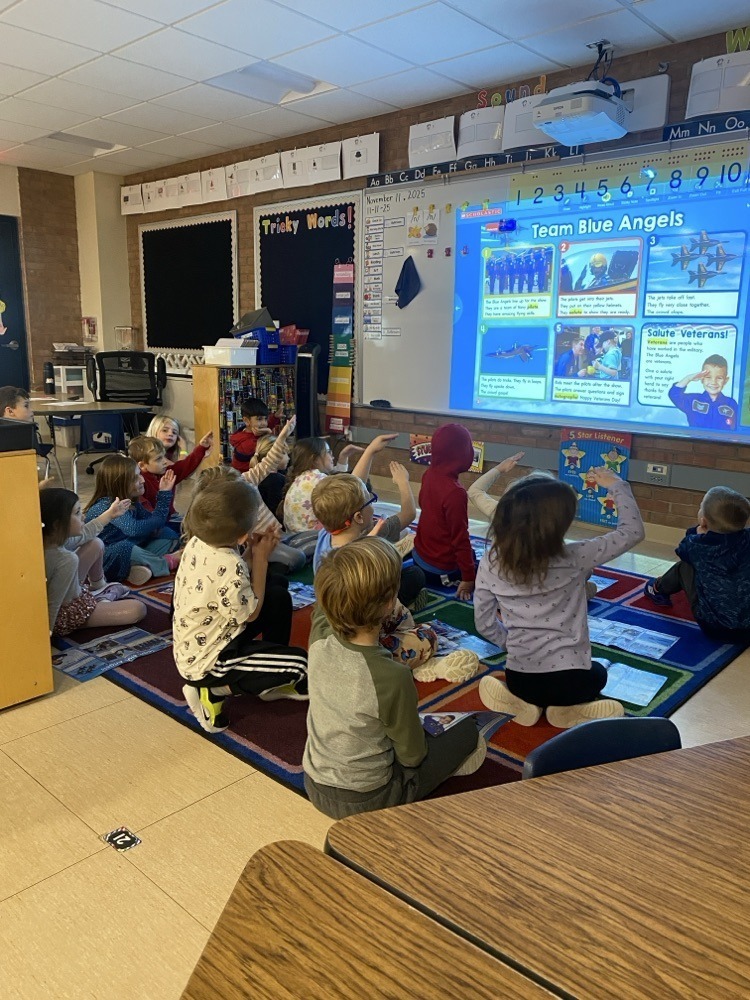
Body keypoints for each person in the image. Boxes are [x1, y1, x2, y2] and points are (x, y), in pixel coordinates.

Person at [302, 537, 486, 819]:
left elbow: (322, 608)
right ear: (390, 603)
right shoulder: (391, 676)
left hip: (314, 784)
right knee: (468, 732)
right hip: (372, 798)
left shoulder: (319, 638)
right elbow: (412, 754)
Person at [474, 468, 644, 729]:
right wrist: (618, 486)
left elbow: (483, 623)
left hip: (520, 678)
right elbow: (632, 532)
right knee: (598, 674)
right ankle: (567, 710)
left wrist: (508, 643)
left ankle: (522, 703)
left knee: (525, 685)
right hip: (573, 680)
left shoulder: (490, 562)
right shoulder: (577, 556)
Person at [174, 472, 308, 734]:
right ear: (241, 535)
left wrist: (250, 551)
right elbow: (251, 613)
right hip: (212, 661)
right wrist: (260, 559)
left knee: (279, 598)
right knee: (301, 666)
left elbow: (235, 590)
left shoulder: (199, 542)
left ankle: (265, 676)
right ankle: (214, 690)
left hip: (207, 638)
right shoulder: (229, 564)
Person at [311, 469, 448, 673]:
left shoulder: (326, 535)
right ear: (358, 516)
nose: (373, 506)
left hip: (339, 619)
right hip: (362, 631)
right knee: (428, 635)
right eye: (371, 501)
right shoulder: (364, 556)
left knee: (403, 602)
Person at [644, 486, 750, 644]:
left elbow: (682, 550)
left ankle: (658, 589)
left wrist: (696, 532)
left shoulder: (695, 545)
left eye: (701, 507)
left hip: (716, 628)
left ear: (703, 520)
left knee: (685, 566)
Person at [40, 487, 146, 636]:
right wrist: (44, 639)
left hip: (68, 593)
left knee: (94, 542)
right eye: (77, 513)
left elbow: (86, 533)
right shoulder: (65, 560)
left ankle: (99, 587)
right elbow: (53, 605)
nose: (83, 516)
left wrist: (110, 514)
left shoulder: (46, 541)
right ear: (58, 524)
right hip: (65, 614)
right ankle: (102, 596)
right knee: (137, 609)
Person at [84, 455, 182, 585]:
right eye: (135, 478)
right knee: (125, 547)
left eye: (140, 474)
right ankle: (166, 563)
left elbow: (155, 523)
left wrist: (164, 492)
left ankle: (136, 570)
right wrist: (157, 517)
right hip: (104, 562)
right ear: (119, 483)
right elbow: (134, 529)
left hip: (130, 551)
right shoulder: (107, 506)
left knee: (167, 535)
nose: (142, 480)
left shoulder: (132, 502)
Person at [243, 415, 318, 571]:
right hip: (264, 544)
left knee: (321, 536)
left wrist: (283, 435)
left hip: (280, 536)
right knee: (297, 558)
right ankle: (275, 564)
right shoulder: (228, 501)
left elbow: (269, 461)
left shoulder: (246, 480)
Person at [413, 423, 477, 601]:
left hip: (419, 555)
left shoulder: (429, 474)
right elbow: (460, 538)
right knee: (486, 570)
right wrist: (469, 578)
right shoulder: (455, 492)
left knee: (471, 556)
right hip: (438, 570)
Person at [282, 434, 392, 533]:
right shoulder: (317, 480)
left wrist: (343, 457)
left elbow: (339, 480)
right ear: (315, 459)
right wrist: (370, 452)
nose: (332, 457)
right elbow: (354, 489)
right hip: (315, 541)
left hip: (302, 542)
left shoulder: (303, 479)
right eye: (328, 452)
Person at [128, 431, 213, 527]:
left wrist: (201, 448)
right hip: (154, 524)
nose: (165, 461)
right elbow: (148, 518)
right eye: (159, 459)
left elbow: (185, 466)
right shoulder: (140, 483)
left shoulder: (166, 472)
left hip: (170, 517)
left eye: (164, 456)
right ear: (142, 465)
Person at [668, 355, 738, 430]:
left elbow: (736, 428)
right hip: (695, 441)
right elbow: (674, 394)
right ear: (702, 379)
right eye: (708, 377)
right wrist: (688, 378)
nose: (713, 382)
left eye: (719, 378)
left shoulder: (731, 403)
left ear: (725, 380)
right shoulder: (693, 401)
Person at [229, 397, 278, 473]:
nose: (264, 423)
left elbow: (264, 426)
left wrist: (275, 417)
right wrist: (268, 433)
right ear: (246, 421)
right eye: (259, 419)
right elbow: (275, 453)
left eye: (265, 419)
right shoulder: (249, 444)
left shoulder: (243, 432)